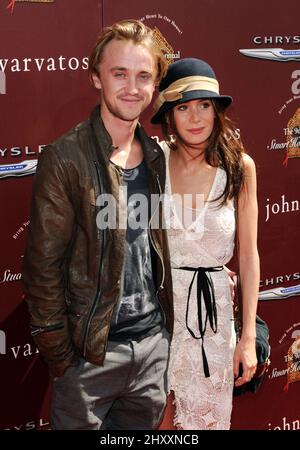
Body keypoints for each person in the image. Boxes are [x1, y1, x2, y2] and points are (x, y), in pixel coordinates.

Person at [22, 19, 174, 430]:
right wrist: (62, 358)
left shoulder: (158, 155)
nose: (132, 87)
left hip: (152, 351)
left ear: (155, 85)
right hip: (89, 359)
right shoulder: (65, 156)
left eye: (144, 76)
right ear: (95, 77)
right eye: (119, 73)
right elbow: (42, 266)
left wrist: (163, 338)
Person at [151, 58, 259, 430]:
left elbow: (248, 255)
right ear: (169, 116)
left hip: (212, 324)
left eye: (204, 105)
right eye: (183, 107)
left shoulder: (240, 167)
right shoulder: (153, 163)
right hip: (158, 314)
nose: (195, 118)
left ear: (217, 111)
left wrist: (246, 339)